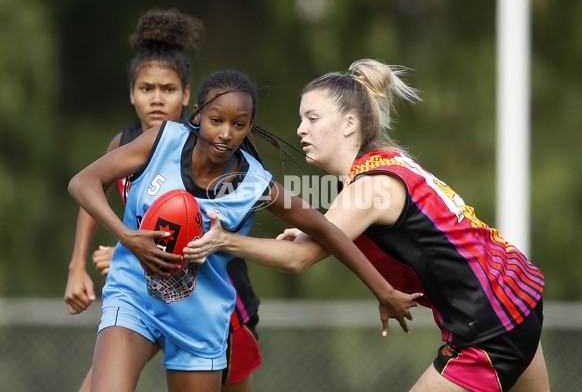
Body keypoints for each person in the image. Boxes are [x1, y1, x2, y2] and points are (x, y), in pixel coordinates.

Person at [185, 59, 550, 391]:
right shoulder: (387, 160)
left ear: (349, 124)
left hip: (488, 324)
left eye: (312, 118)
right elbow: (353, 220)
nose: (300, 129)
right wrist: (315, 226)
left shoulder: (368, 187)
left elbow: (298, 259)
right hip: (517, 299)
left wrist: (224, 240)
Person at [68, 68, 417, 392]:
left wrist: (383, 291)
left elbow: (325, 230)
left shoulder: (255, 185)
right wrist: (126, 237)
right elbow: (84, 182)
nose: (225, 133)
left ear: (250, 126)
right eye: (216, 120)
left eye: (239, 124)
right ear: (198, 115)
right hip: (133, 297)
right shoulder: (163, 141)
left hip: (199, 318)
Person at [63, 9, 260, 392]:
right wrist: (79, 264)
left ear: (188, 98)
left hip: (212, 298)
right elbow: (92, 191)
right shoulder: (124, 144)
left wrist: (131, 243)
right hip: (149, 288)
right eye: (146, 88)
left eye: (167, 90)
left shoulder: (205, 151)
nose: (157, 99)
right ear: (132, 94)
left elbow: (198, 222)